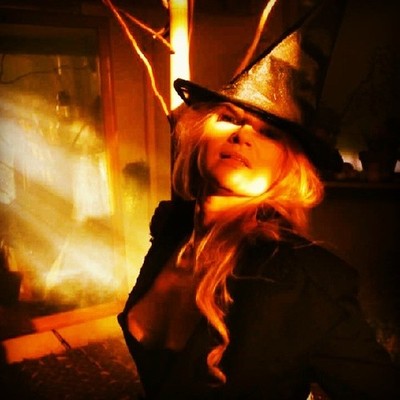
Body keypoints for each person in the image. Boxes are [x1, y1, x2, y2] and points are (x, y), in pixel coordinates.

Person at [118, 0, 400, 398]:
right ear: (201, 135)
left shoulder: (300, 279)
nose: (242, 136)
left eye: (269, 133)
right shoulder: (171, 229)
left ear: (289, 167)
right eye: (230, 118)